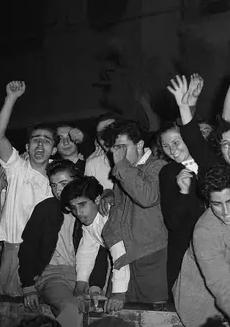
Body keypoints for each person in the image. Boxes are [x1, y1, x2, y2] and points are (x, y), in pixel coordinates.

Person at [19, 160, 107, 326]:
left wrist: (96, 285)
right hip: (52, 275)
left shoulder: (88, 207)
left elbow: (98, 251)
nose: (58, 190)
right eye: (53, 185)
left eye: (63, 183)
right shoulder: (45, 209)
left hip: (83, 277)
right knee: (71, 308)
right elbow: (27, 248)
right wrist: (28, 286)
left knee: (90, 312)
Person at [173, 163, 230, 327]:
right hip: (202, 310)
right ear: (208, 202)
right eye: (217, 204)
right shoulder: (204, 231)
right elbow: (222, 287)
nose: (225, 211)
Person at [98, 119, 169, 304]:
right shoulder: (123, 171)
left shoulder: (157, 166)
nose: (116, 153)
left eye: (122, 146)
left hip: (152, 256)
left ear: (139, 144)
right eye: (114, 148)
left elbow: (147, 197)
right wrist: (108, 194)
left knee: (153, 318)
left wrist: (121, 165)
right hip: (126, 256)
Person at [0, 81, 56, 296]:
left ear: (54, 149)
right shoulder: (17, 168)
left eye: (46, 141)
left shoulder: (58, 180)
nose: (40, 145)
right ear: (27, 147)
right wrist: (11, 99)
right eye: (35, 140)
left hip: (40, 256)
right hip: (11, 251)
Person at [65, 177, 131, 314]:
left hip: (145, 260)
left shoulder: (109, 216)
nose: (78, 213)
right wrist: (79, 288)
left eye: (82, 205)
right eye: (73, 208)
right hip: (125, 263)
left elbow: (120, 254)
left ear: (96, 200)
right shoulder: (89, 222)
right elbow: (86, 253)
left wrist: (119, 293)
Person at [157, 122, 205, 295]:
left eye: (176, 142)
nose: (172, 149)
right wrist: (184, 192)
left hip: (214, 248)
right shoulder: (168, 172)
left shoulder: (209, 163)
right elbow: (173, 222)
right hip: (185, 249)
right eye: (166, 145)